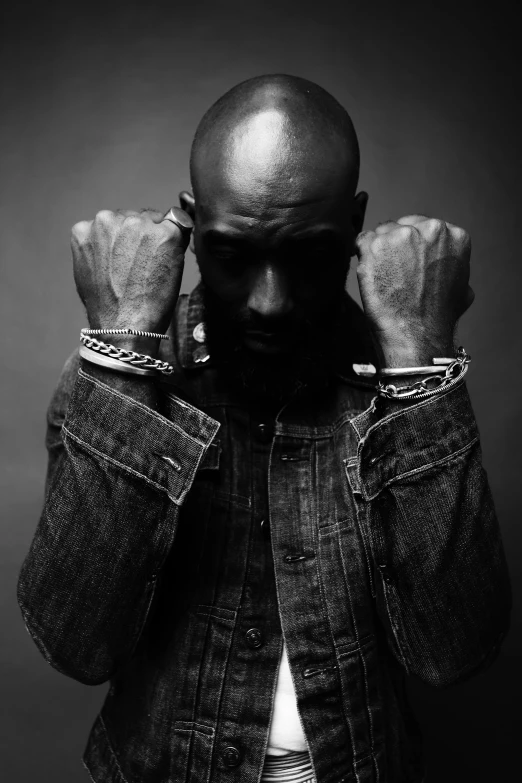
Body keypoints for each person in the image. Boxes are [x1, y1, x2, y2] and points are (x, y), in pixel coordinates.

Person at [17, 74, 511, 783]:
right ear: (191, 226)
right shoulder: (120, 370)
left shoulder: (404, 373)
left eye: (307, 253)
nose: (270, 302)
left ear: (353, 226)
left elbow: (455, 652)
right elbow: (76, 643)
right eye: (234, 254)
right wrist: (123, 356)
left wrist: (413, 349)